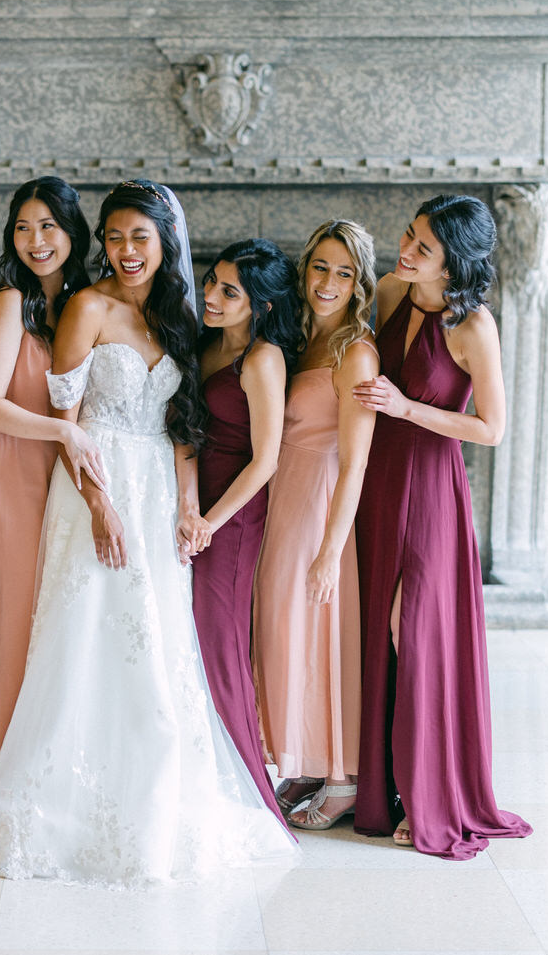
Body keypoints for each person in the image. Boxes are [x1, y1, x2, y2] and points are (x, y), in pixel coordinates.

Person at [0, 179, 296, 887]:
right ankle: (62, 811)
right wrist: (99, 505)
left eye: (138, 237)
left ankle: (159, 802)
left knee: (157, 639)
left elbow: (182, 427)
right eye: (114, 237)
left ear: (164, 240)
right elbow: (69, 425)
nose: (124, 250)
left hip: (155, 487)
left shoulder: (180, 312)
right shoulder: (87, 307)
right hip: (96, 481)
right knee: (86, 630)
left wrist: (186, 504)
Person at [351, 194, 531, 858]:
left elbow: (491, 428)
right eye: (409, 234)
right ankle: (378, 790)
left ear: (454, 261)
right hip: (377, 482)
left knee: (415, 631)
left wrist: (405, 407)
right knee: (378, 633)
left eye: (424, 246)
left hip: (430, 488)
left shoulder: (472, 325)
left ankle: (431, 791)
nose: (407, 249)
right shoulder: (395, 289)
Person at [0, 176, 105, 772]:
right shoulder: (9, 304)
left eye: (48, 225)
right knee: (14, 619)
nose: (36, 240)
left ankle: (55, 771)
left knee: (60, 621)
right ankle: (3, 772)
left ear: (72, 231)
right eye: (22, 228)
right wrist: (62, 432)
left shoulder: (89, 303)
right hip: (13, 472)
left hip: (67, 478)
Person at [253, 219, 380, 832]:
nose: (328, 282)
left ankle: (344, 776)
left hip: (324, 501)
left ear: (360, 283)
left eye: (344, 272)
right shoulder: (301, 338)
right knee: (289, 632)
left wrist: (332, 550)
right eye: (320, 267)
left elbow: (356, 459)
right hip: (285, 497)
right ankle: (304, 758)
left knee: (323, 633)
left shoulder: (355, 350)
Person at [179, 238, 304, 824]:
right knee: (187, 644)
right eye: (212, 282)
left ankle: (248, 790)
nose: (212, 296)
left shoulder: (262, 360)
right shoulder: (203, 342)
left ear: (261, 305)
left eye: (230, 291)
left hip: (231, 515)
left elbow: (267, 459)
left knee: (221, 643)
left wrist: (210, 521)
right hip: (188, 507)